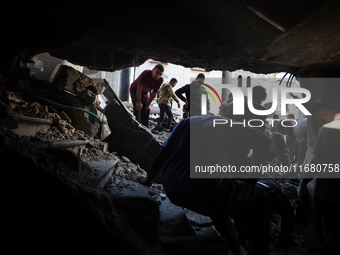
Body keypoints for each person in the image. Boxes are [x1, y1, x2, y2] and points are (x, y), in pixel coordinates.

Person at [141, 114, 272, 255]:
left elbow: (162, 154)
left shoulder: (187, 122)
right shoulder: (231, 125)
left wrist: (148, 181)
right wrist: (252, 181)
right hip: (203, 191)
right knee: (259, 197)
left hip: (172, 189)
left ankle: (233, 243)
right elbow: (264, 142)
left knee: (219, 194)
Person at [298, 102, 340, 254]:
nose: (317, 123)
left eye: (316, 120)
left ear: (323, 114)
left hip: (330, 191)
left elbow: (318, 160)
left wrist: (303, 183)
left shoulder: (328, 129)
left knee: (330, 232)